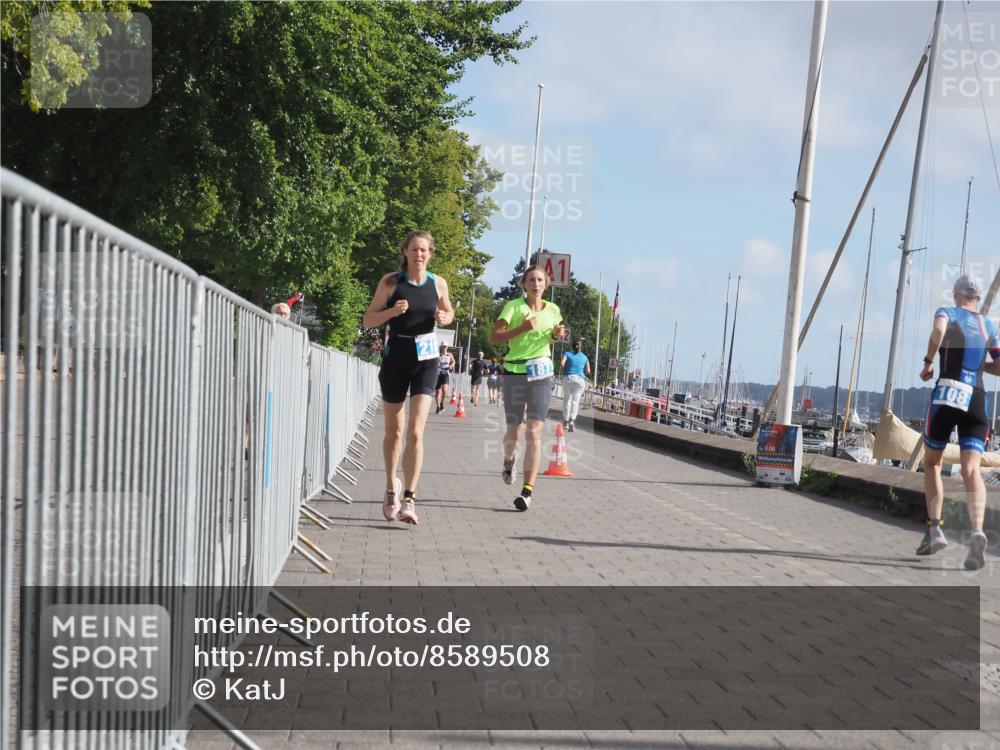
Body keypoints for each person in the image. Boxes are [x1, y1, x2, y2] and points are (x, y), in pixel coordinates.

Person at [363, 230, 454, 526]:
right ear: (405, 252)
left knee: (416, 432)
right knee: (395, 432)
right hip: (396, 360)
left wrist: (445, 317)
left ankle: (410, 498)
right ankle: (391, 488)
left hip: (426, 362)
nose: (419, 255)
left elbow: (449, 311)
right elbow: (368, 319)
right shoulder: (391, 282)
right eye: (414, 250)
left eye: (424, 250)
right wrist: (390, 312)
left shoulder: (438, 283)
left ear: (431, 253)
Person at [917, 274, 1000, 569]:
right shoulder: (989, 325)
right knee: (970, 469)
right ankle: (977, 530)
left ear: (956, 295)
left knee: (934, 463)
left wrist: (928, 362)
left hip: (947, 393)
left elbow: (938, 332)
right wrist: (979, 366)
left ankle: (934, 529)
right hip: (976, 398)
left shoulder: (947, 313)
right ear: (977, 298)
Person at [490, 265, 566, 511]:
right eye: (531, 279)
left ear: (547, 284)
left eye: (540, 280)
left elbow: (553, 337)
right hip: (514, 373)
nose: (536, 283)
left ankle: (527, 492)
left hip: (541, 374)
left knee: (534, 432)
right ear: (524, 284)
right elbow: (495, 337)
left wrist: (557, 335)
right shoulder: (514, 307)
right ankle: (508, 460)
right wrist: (522, 328)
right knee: (515, 433)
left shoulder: (553, 310)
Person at [560, 340, 591, 432]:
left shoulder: (567, 353)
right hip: (580, 380)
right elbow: (588, 371)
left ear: (572, 346)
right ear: (581, 347)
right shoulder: (585, 357)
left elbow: (562, 363)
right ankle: (572, 421)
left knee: (567, 400)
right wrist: (581, 372)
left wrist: (567, 368)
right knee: (575, 401)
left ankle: (565, 422)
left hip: (568, 378)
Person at [435, 344, 456, 414]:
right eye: (443, 346)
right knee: (437, 391)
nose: (444, 348)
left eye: (445, 346)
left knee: (445, 390)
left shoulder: (449, 355)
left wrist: (451, 365)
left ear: (447, 347)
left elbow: (453, 361)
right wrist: (436, 364)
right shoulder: (438, 355)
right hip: (438, 374)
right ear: (441, 347)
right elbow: (434, 363)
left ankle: (441, 403)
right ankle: (438, 408)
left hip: (446, 374)